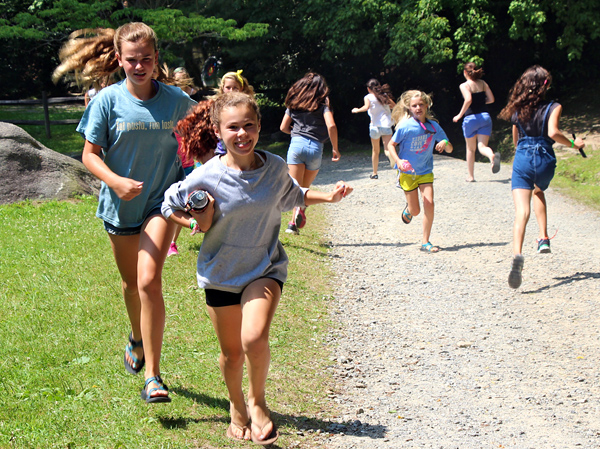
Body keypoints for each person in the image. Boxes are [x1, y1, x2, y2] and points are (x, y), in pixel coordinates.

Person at [162, 92, 353, 444]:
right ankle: (237, 406)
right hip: (220, 273)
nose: (242, 133)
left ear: (259, 126)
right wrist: (191, 223)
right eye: (232, 127)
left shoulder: (275, 167)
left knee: (254, 337)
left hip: (264, 267)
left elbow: (293, 195)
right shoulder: (208, 175)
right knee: (232, 354)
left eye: (249, 125)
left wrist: (329, 196)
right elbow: (167, 204)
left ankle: (258, 402)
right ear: (219, 132)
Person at [54, 23, 196, 402]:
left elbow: (195, 141)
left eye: (146, 59)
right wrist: (115, 182)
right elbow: (89, 155)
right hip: (120, 206)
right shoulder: (107, 101)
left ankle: (153, 376)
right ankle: (136, 337)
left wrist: (196, 178)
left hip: (159, 204)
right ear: (120, 59)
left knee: (149, 281)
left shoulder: (177, 101)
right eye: (132, 60)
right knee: (131, 284)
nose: (139, 66)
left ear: (155, 59)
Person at [498, 65, 584, 289]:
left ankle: (517, 255)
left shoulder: (517, 110)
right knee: (539, 190)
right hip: (545, 160)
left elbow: (516, 141)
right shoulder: (554, 107)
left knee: (521, 211)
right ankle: (543, 238)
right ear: (545, 85)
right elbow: (553, 133)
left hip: (523, 158)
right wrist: (575, 144)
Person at [387, 90, 453, 253]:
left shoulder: (433, 126)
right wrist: (399, 161)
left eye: (421, 105)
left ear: (426, 106)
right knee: (415, 210)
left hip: (425, 171)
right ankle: (408, 210)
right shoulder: (405, 127)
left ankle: (425, 242)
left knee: (429, 202)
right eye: (414, 105)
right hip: (408, 173)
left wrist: (444, 143)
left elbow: (450, 148)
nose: (418, 108)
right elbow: (390, 145)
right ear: (409, 108)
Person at [280, 72, 341, 234]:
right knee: (305, 187)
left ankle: (292, 225)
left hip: (296, 146)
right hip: (315, 148)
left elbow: (283, 127)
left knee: (295, 187)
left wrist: (296, 132)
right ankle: (298, 214)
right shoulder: (323, 105)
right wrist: (335, 148)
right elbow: (332, 126)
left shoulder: (293, 104)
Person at [452, 62, 500, 182]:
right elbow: (491, 99)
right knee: (482, 146)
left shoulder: (464, 86)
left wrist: (459, 115)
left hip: (471, 118)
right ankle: (491, 156)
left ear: (465, 72)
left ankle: (471, 176)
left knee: (470, 149)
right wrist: (481, 104)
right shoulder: (483, 83)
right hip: (485, 117)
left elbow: (468, 99)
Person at [351, 78, 396, 179]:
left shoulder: (368, 97)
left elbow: (366, 107)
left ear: (368, 89)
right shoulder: (384, 96)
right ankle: (393, 162)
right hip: (386, 125)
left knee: (375, 151)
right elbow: (394, 106)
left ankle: (374, 173)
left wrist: (357, 110)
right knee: (388, 149)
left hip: (374, 126)